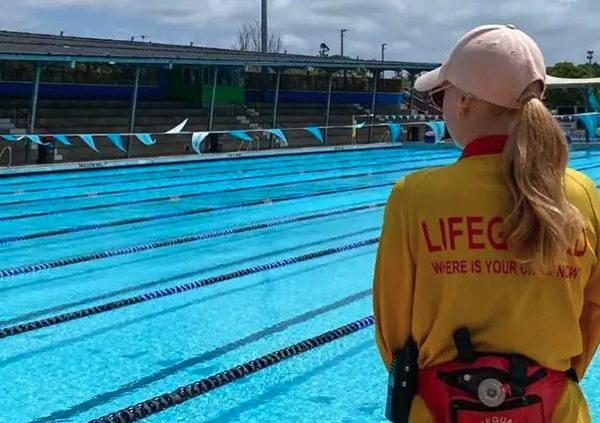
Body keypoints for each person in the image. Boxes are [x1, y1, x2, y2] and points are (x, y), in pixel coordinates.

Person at [373, 24, 600, 423]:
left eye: (442, 95)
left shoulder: (414, 196)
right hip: (557, 410)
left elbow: (393, 335)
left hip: (442, 410)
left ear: (464, 101)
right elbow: (593, 316)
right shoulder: (582, 195)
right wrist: (545, 382)